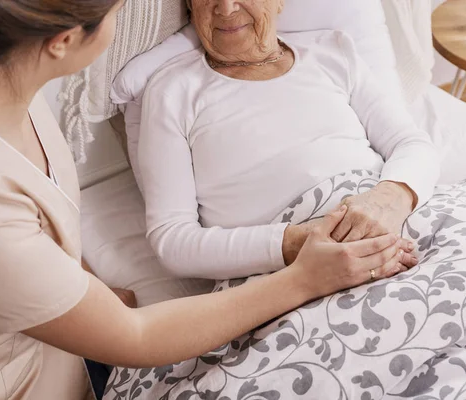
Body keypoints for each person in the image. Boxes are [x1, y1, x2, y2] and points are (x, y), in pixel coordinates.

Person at [0, 1, 417, 399]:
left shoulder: (4, 92)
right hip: (22, 385)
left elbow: (39, 224)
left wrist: (84, 293)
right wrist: (304, 275)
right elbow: (135, 335)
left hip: (65, 341)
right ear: (62, 42)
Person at [135, 0, 441, 280]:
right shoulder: (172, 91)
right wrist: (304, 241)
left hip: (404, 225)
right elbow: (173, 240)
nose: (226, 8)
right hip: (297, 274)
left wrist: (386, 202)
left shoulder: (332, 51)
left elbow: (411, 143)